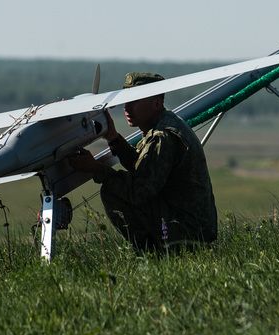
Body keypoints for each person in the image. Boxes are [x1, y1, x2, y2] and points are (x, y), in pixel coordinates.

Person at [69, 72, 218, 252]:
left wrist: (97, 169)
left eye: (134, 101)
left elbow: (138, 191)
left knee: (112, 190)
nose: (127, 107)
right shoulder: (166, 123)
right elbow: (145, 169)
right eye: (126, 100)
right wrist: (113, 138)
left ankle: (152, 253)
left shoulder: (162, 137)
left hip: (188, 232)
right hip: (193, 225)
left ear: (156, 103)